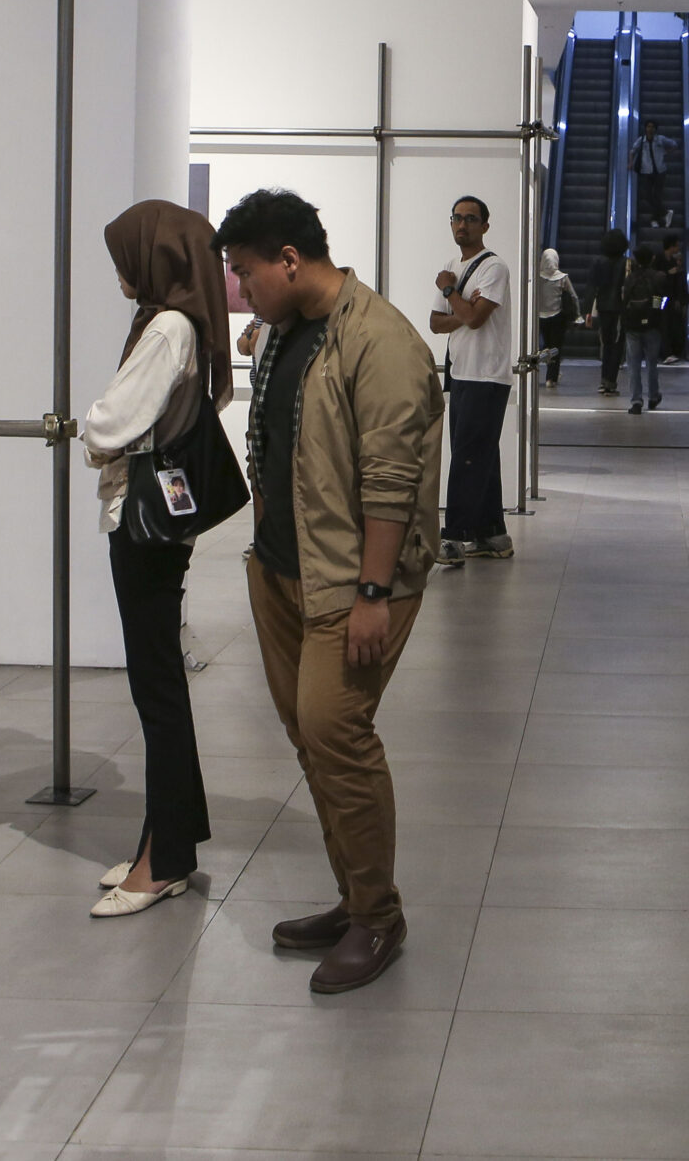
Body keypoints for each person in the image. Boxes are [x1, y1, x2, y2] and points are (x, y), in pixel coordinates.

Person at [216, 188, 445, 991]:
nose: (241, 290)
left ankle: (378, 917)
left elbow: (391, 481)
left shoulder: (379, 341)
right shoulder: (287, 333)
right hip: (285, 570)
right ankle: (354, 899)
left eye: (246, 272)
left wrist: (374, 591)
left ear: (288, 259)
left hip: (353, 582)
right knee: (310, 738)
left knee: (336, 731)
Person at [81, 201, 227, 918]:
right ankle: (168, 839)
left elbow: (109, 421)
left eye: (125, 255)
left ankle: (163, 860)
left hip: (144, 528)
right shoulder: (179, 322)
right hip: (160, 525)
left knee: (157, 691)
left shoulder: (168, 327)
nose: (119, 269)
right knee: (159, 687)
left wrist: (91, 430)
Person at [431, 196, 513, 563]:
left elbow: (477, 320)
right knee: (480, 455)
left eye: (471, 219)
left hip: (487, 376)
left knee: (467, 457)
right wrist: (463, 308)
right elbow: (436, 323)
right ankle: (492, 534)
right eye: (457, 218)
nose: (462, 225)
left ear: (485, 226)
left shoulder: (494, 267)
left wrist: (451, 292)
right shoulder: (451, 266)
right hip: (461, 373)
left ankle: (455, 537)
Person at [620, 243, 671, 413]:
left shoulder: (630, 278)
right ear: (652, 259)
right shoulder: (658, 277)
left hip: (632, 326)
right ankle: (653, 396)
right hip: (652, 325)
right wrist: (657, 313)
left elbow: (624, 300)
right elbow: (662, 299)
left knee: (633, 364)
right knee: (652, 363)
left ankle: (636, 401)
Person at [585, 228, 628, 397]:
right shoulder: (626, 263)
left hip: (603, 307)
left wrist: (588, 311)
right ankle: (611, 381)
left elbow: (591, 287)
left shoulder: (597, 262)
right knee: (617, 345)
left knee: (606, 344)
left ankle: (604, 380)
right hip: (619, 308)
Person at [534, 248, 577, 388]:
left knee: (542, 346)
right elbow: (573, 296)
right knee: (555, 347)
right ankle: (551, 377)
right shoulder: (562, 278)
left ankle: (534, 374)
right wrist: (577, 315)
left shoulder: (537, 278)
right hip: (557, 317)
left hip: (539, 317)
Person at [629, 117, 677, 228]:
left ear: (655, 129)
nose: (650, 129)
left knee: (657, 195)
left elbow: (674, 144)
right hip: (646, 171)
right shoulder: (641, 140)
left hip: (660, 171)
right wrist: (631, 163)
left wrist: (666, 152)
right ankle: (665, 213)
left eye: (652, 127)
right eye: (648, 126)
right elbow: (632, 151)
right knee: (647, 195)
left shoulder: (660, 139)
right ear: (645, 128)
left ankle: (654, 220)